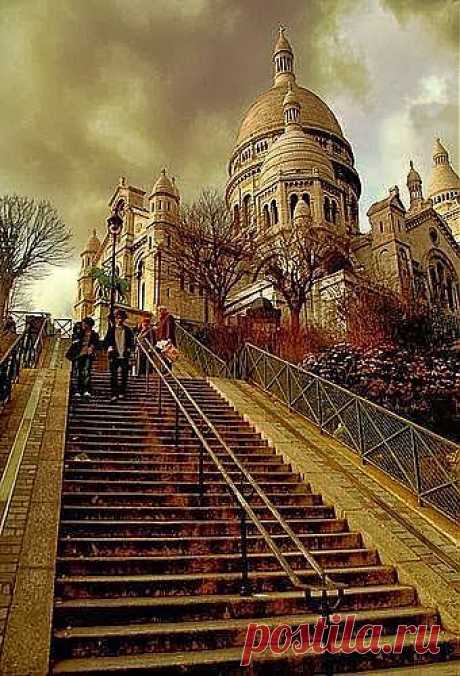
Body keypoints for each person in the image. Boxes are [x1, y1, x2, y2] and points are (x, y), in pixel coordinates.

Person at [104, 309, 135, 401]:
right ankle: (114, 393)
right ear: (115, 319)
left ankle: (122, 392)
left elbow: (131, 342)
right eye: (118, 318)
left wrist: (130, 350)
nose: (120, 320)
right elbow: (106, 342)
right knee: (113, 376)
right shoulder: (111, 330)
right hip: (114, 355)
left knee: (124, 375)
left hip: (124, 355)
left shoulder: (128, 330)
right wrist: (109, 347)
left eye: (121, 318)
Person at [73, 317, 99, 398]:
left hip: (88, 355)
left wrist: (92, 347)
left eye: (84, 324)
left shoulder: (94, 335)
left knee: (86, 372)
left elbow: (96, 344)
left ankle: (86, 390)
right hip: (79, 355)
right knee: (78, 372)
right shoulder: (79, 333)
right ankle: (78, 390)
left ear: (88, 325)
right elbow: (74, 339)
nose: (82, 325)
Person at [155, 306, 176, 371]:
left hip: (165, 340)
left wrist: (169, 338)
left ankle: (167, 371)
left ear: (164, 310)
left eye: (160, 310)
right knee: (159, 352)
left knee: (167, 355)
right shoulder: (162, 319)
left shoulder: (168, 317)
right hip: (161, 340)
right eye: (159, 311)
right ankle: (163, 369)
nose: (159, 312)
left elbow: (169, 327)